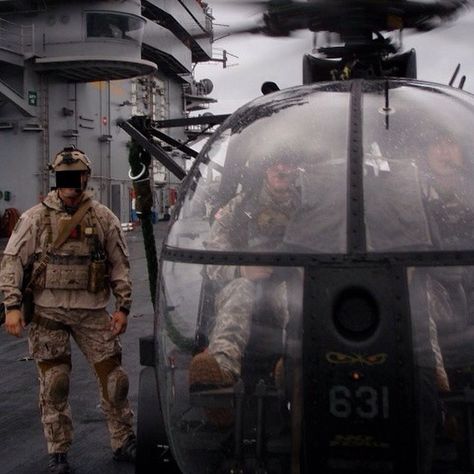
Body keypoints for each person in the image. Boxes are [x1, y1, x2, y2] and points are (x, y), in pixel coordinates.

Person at [0, 145, 135, 474]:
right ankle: (58, 451)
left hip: (92, 312)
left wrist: (124, 307)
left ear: (86, 178)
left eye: (77, 179)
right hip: (49, 312)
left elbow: (119, 264)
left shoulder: (103, 218)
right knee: (55, 383)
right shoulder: (35, 218)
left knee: (115, 381)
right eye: (65, 179)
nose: (72, 186)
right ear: (57, 181)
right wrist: (12, 307)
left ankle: (123, 439)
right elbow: (12, 262)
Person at [188, 155, 300, 408]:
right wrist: (241, 271)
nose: (282, 168)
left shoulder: (308, 208)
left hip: (289, 288)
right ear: (265, 169)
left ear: (297, 168)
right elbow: (212, 261)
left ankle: (294, 365)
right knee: (240, 290)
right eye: (276, 162)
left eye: (288, 162)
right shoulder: (238, 209)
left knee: (301, 293)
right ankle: (221, 371)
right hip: (248, 289)